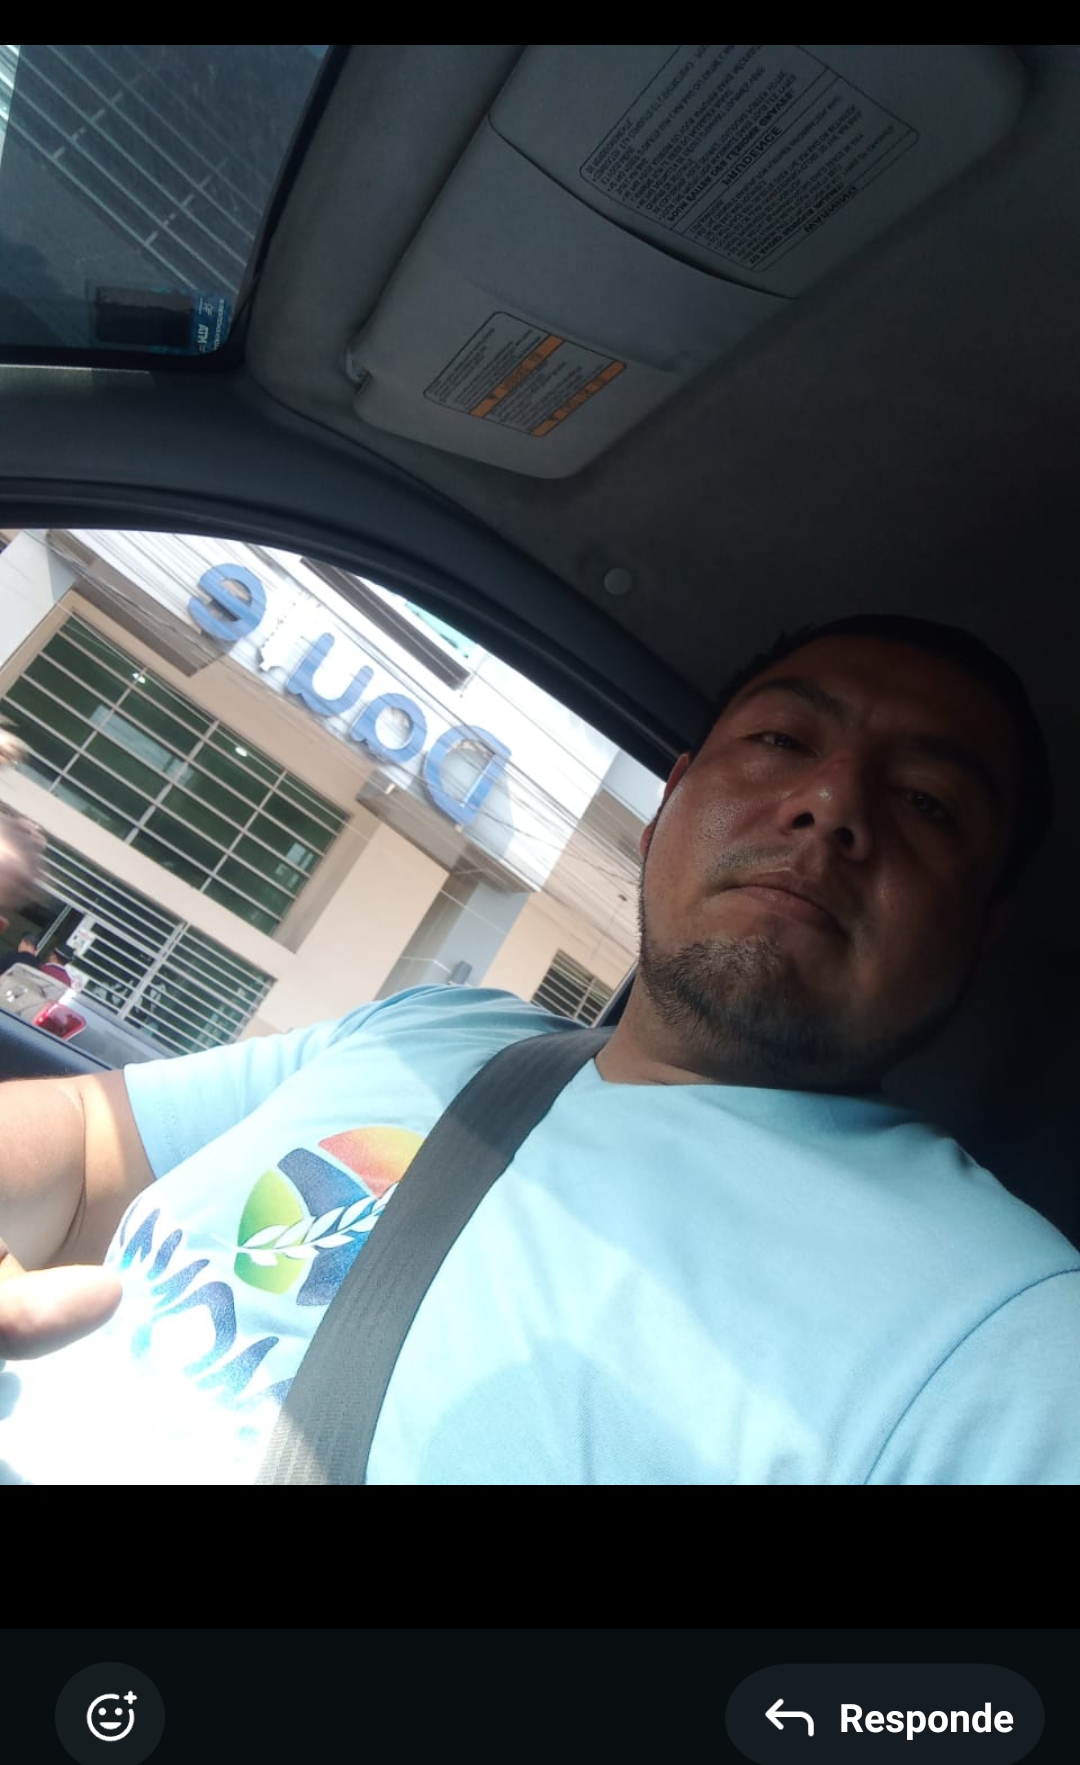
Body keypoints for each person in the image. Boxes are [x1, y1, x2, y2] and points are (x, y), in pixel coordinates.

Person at [2, 611, 1080, 1486]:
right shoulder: (432, 1033)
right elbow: (94, 1143)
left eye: (928, 802)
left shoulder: (1014, 1338)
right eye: (782, 742)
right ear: (667, 806)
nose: (831, 803)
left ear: (976, 932)